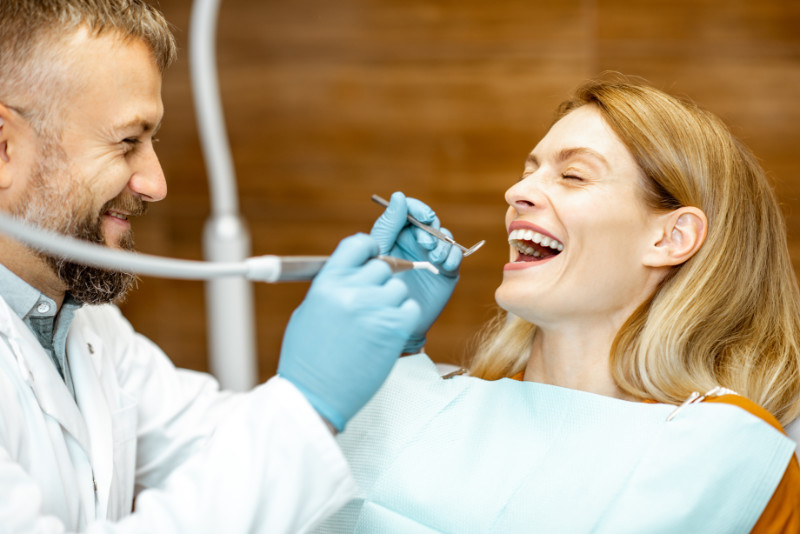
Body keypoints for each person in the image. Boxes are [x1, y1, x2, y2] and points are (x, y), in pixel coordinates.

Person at [0, 1, 461, 532]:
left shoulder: (81, 326)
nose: (156, 183)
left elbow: (221, 448)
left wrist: (383, 359)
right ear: (6, 146)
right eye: (127, 142)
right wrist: (307, 398)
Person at [314, 76, 800, 532]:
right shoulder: (423, 400)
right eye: (528, 173)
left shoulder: (729, 455)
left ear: (672, 238)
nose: (516, 193)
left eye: (572, 175)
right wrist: (387, 360)